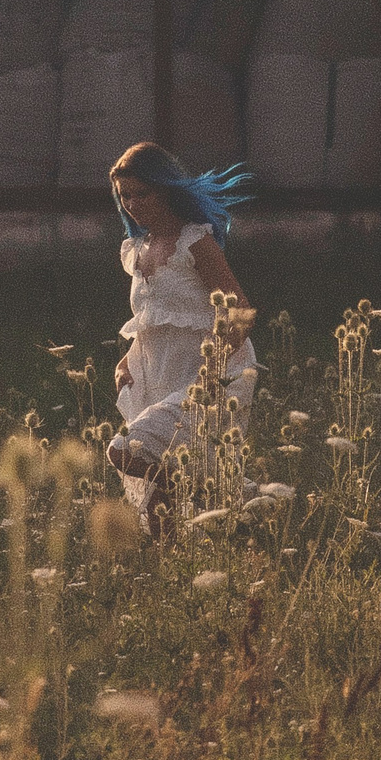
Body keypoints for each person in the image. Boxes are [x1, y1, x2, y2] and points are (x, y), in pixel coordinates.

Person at [105, 143, 259, 530]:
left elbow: (239, 312)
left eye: (144, 192)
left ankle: (228, 497)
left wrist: (211, 376)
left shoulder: (194, 241)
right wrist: (126, 360)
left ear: (167, 189)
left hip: (207, 375)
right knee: (160, 497)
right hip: (157, 373)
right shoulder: (136, 249)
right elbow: (151, 318)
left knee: (126, 451)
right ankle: (169, 571)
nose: (134, 203)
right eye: (126, 196)